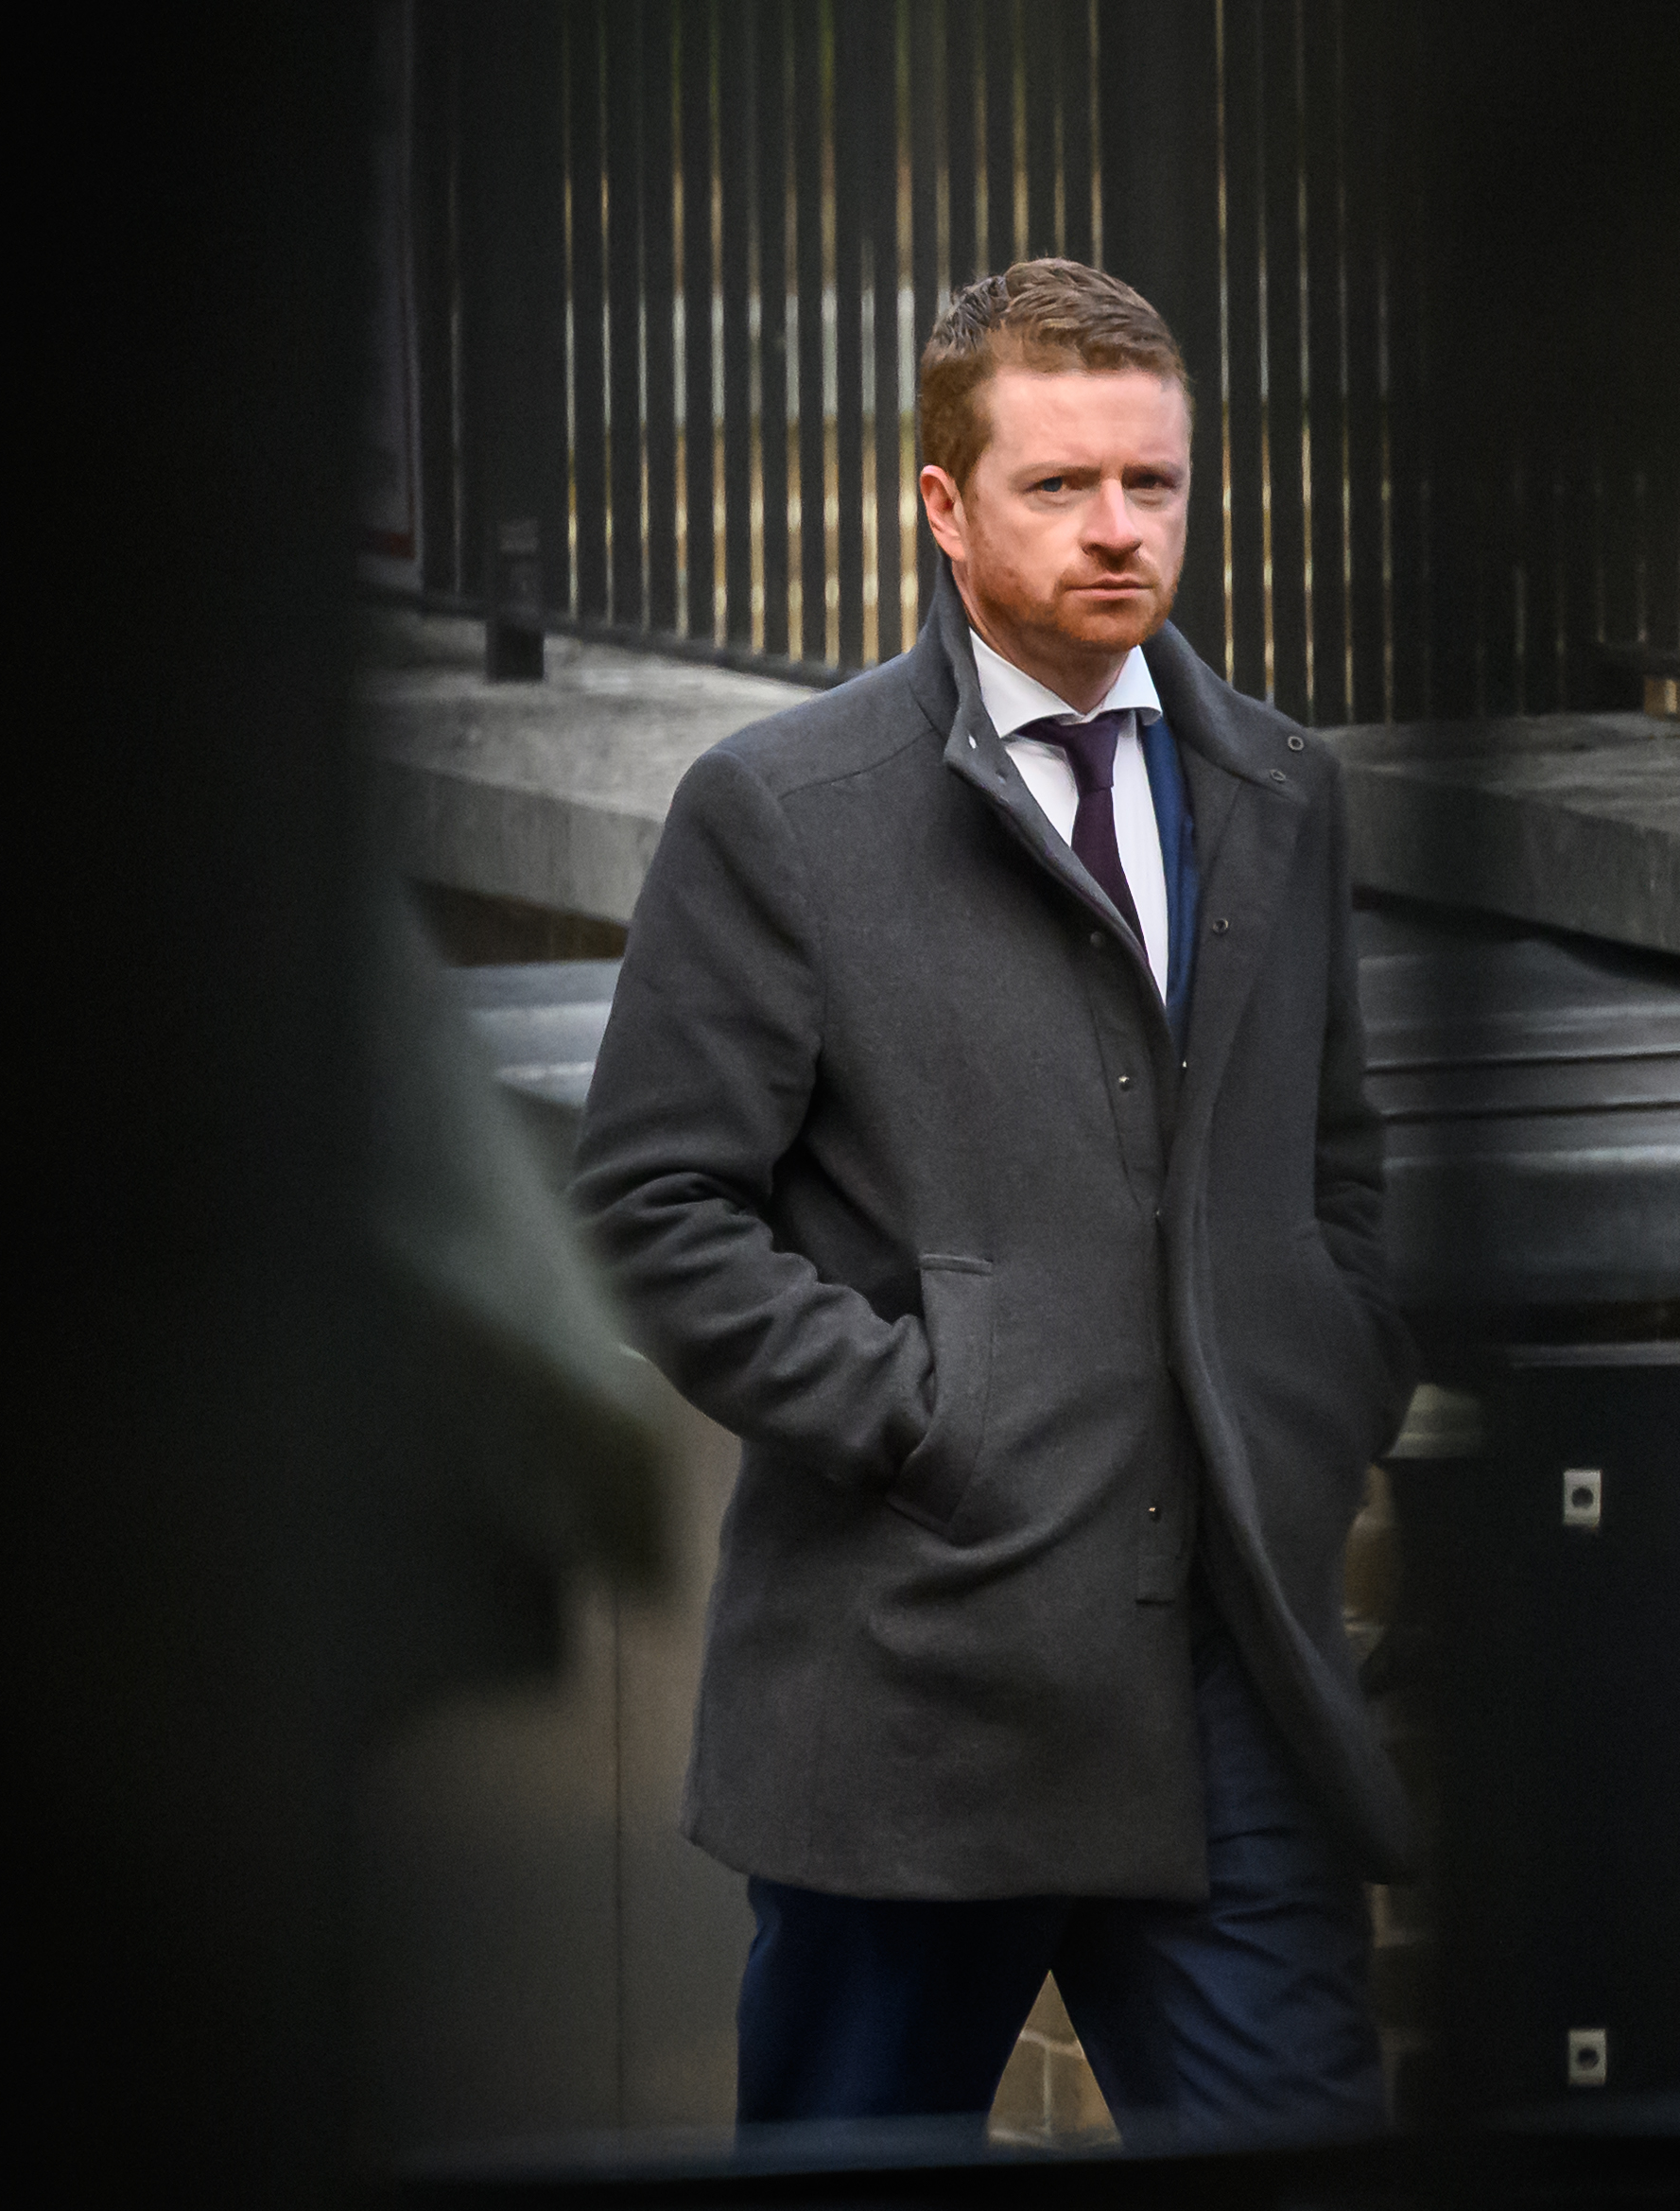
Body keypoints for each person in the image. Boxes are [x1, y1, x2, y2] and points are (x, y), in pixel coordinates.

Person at [573, 258, 1417, 2143]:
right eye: (1061, 484)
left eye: (1153, 481)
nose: (1119, 527)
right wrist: (931, 1419)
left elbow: (1337, 1160)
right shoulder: (783, 809)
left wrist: (1320, 1380)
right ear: (944, 507)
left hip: (1227, 1689)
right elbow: (651, 1202)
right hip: (911, 1690)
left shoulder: (1280, 788)